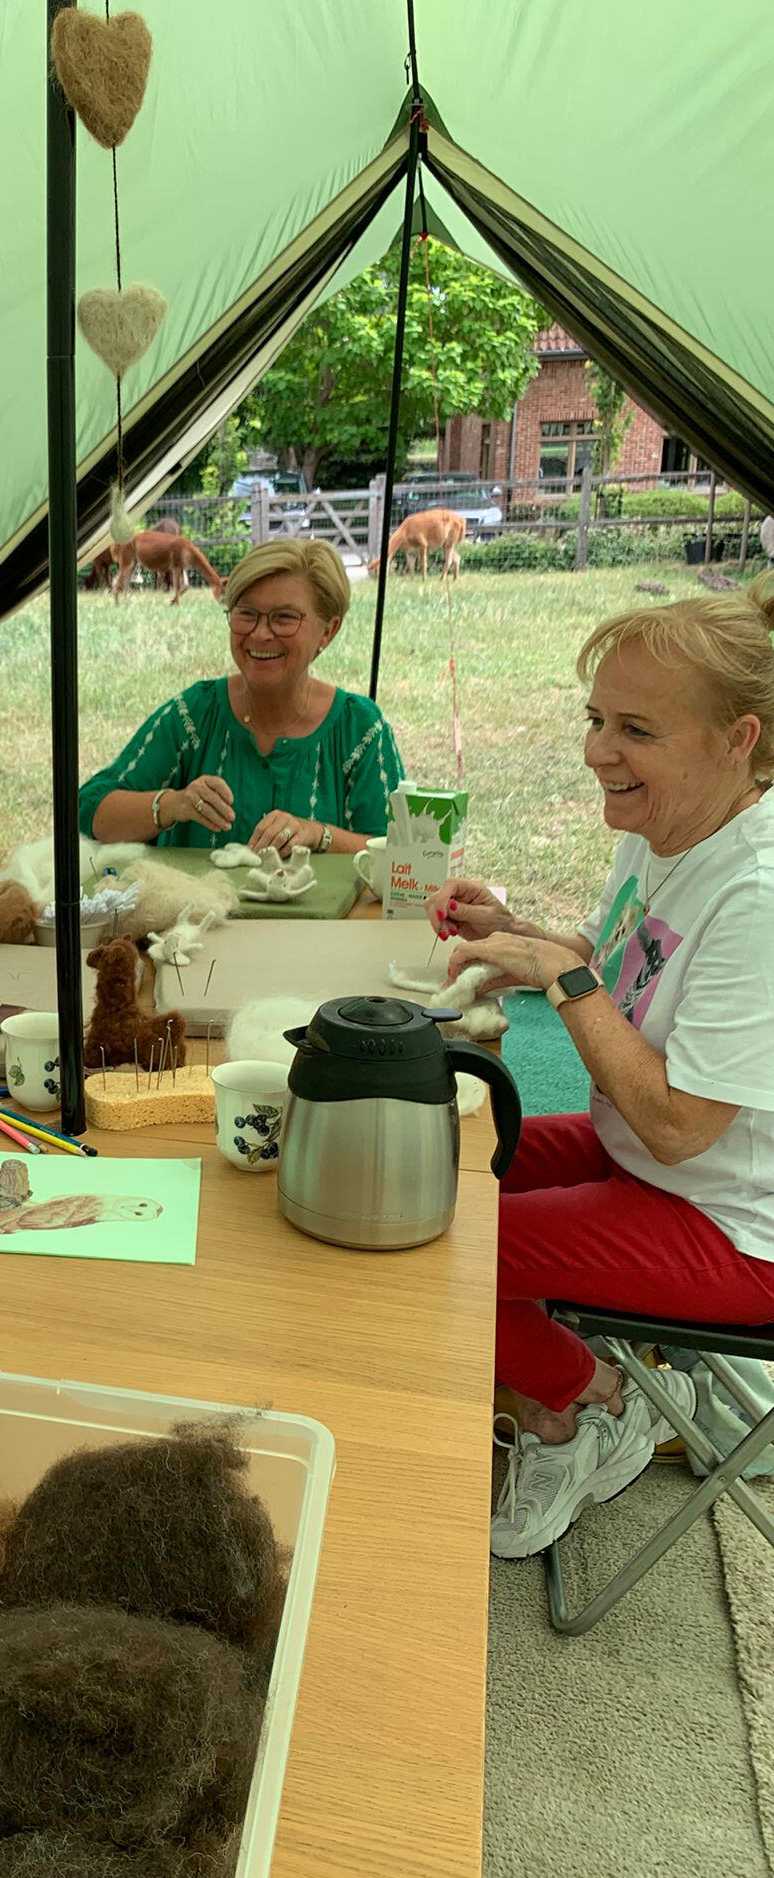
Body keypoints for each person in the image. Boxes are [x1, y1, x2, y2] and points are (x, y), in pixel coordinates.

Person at [427, 574, 774, 1559]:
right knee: (428, 1166)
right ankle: (573, 1383)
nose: (595, 751)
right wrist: (517, 933)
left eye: (635, 730)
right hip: (648, 1162)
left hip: (733, 1224)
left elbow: (679, 1125)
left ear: (738, 739)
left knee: (449, 1250)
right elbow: (613, 953)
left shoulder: (757, 893)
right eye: (595, 719)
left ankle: (589, 1405)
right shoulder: (670, 826)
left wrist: (561, 975)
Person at [78, 538, 404, 855]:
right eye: (246, 614)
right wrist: (173, 804)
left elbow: (401, 854)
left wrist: (318, 835)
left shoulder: (359, 729)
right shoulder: (195, 715)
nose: (260, 633)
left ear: (328, 631)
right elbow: (89, 810)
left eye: (284, 618)